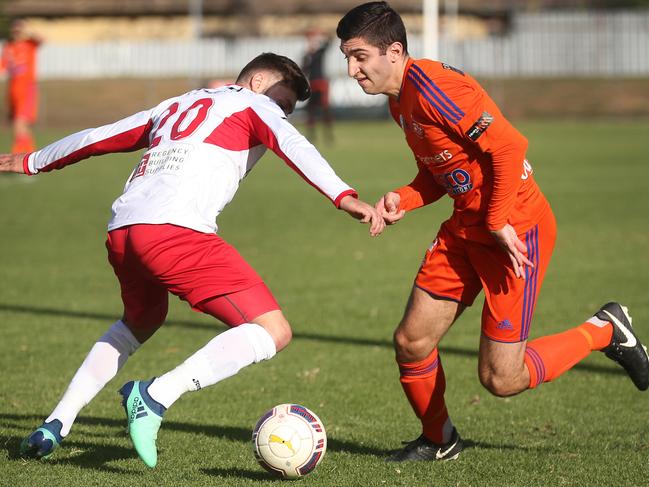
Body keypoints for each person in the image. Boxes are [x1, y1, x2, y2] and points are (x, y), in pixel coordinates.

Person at [0, 52, 385, 468]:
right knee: (272, 331)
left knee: (141, 320)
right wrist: (343, 196)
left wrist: (34, 160)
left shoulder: (174, 104)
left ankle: (55, 424)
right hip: (174, 232)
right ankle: (154, 396)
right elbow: (294, 147)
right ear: (257, 82)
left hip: (123, 231)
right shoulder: (254, 104)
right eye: (283, 103)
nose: (282, 114)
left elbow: (100, 136)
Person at [336, 1, 649, 462]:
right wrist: (403, 197)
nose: (351, 70)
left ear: (394, 51)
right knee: (411, 341)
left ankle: (604, 329)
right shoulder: (398, 104)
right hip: (466, 229)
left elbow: (508, 146)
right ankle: (440, 440)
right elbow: (444, 173)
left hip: (516, 231)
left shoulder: (434, 87)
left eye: (359, 56)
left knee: (502, 379)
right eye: (347, 57)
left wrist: (498, 217)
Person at [0, 18, 42, 153]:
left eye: (19, 29)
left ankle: (17, 156)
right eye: (14, 29)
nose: (16, 32)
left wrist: (28, 30)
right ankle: (30, 156)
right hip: (13, 90)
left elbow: (42, 39)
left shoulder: (29, 44)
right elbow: (3, 67)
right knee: (19, 126)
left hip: (27, 88)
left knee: (20, 123)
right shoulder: (9, 47)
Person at [301, 28, 334, 143]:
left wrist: (321, 35)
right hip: (312, 84)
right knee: (311, 110)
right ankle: (311, 135)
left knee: (325, 109)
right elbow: (303, 70)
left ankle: (328, 136)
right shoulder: (306, 56)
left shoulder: (320, 52)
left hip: (321, 83)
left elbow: (329, 42)